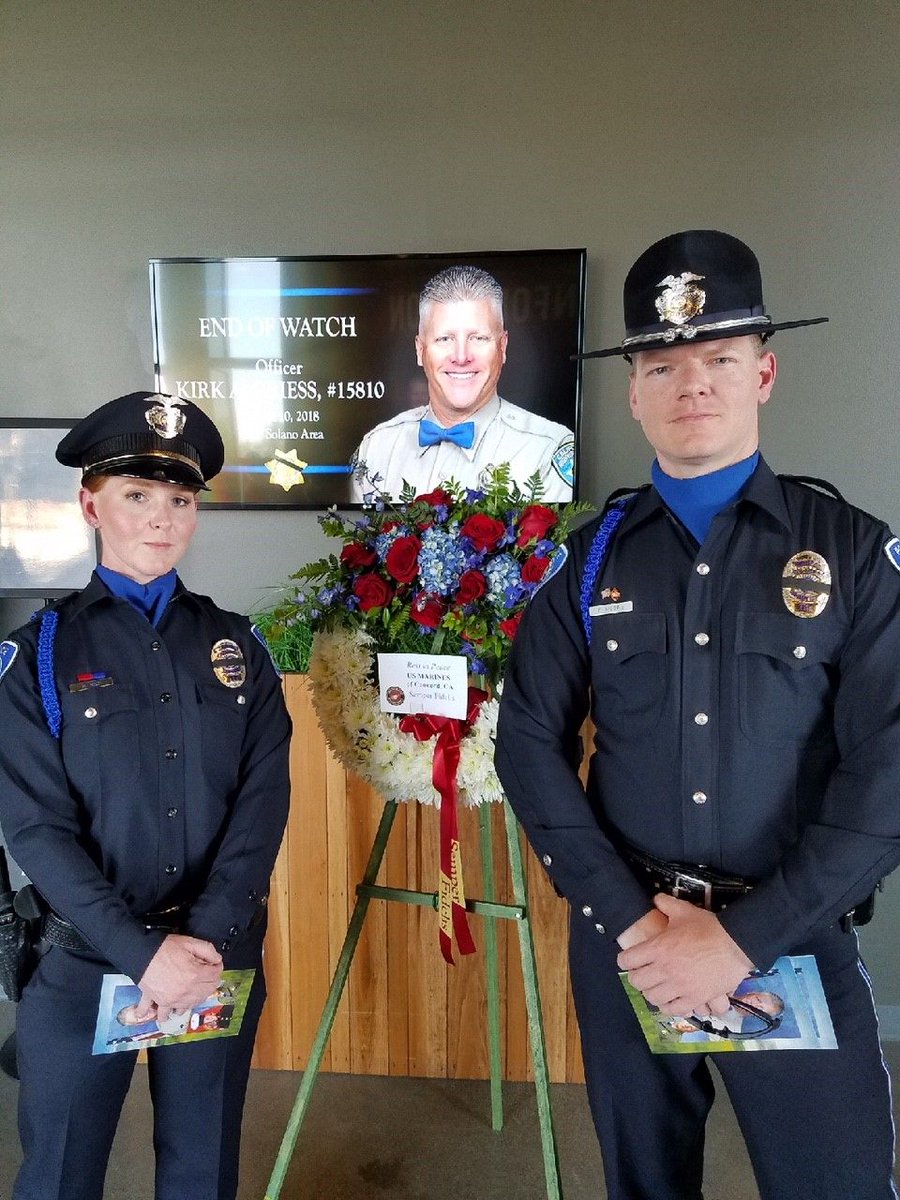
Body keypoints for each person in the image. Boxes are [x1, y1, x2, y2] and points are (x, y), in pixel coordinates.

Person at [495, 230, 900, 1200]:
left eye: (718, 357)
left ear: (763, 371)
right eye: (664, 364)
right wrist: (635, 924)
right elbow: (526, 744)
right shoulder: (590, 563)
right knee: (647, 1184)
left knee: (836, 1184)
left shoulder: (850, 553)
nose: (693, 384)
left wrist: (741, 937)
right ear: (634, 390)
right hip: (627, 938)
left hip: (791, 937)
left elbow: (889, 768)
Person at [0, 391, 292, 1200]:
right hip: (85, 953)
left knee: (202, 1168)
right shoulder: (36, 657)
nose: (162, 518)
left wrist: (197, 942)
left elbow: (262, 806)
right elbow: (35, 829)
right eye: (138, 495)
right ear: (90, 502)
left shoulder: (239, 648)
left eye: (181, 499)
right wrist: (142, 953)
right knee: (59, 1172)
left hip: (212, 956)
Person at [351, 264, 575, 502]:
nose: (461, 356)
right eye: (444, 338)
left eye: (478, 338)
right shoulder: (375, 448)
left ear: (502, 347)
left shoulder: (549, 449)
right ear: (420, 350)